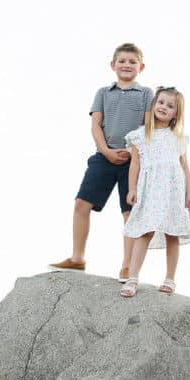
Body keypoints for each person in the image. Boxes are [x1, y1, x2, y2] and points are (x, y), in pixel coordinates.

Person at [49, 43, 153, 282]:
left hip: (133, 160)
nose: (127, 65)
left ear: (141, 67)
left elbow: (147, 126)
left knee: (129, 212)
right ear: (113, 64)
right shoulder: (103, 93)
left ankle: (127, 266)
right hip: (104, 157)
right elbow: (96, 124)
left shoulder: (147, 94)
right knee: (81, 203)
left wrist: (131, 150)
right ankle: (77, 258)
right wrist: (105, 150)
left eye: (132, 62)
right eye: (122, 61)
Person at [119, 87, 190, 297]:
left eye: (170, 106)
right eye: (161, 102)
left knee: (172, 233)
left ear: (176, 114)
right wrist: (132, 188)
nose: (164, 107)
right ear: (154, 105)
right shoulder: (139, 136)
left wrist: (189, 193)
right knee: (145, 231)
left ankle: (170, 279)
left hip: (173, 189)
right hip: (150, 189)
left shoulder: (178, 138)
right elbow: (134, 165)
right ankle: (133, 277)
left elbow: (185, 167)